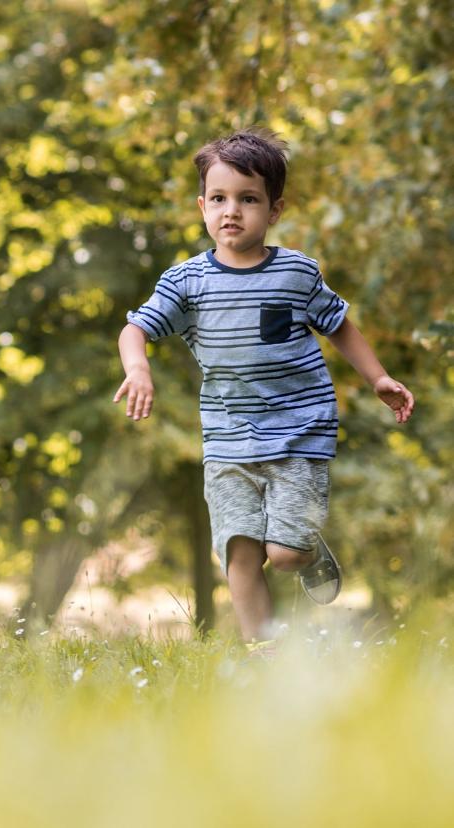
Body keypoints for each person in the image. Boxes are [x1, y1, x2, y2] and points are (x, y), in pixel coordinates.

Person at [114, 129, 415, 644]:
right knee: (239, 550)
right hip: (227, 438)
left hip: (300, 431)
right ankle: (263, 654)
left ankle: (309, 550)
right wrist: (138, 368)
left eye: (248, 199)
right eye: (219, 199)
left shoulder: (295, 272)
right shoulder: (185, 281)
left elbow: (338, 323)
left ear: (273, 210)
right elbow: (135, 328)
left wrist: (378, 376)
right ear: (201, 206)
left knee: (284, 555)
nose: (232, 211)